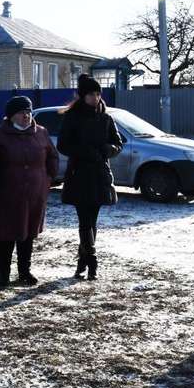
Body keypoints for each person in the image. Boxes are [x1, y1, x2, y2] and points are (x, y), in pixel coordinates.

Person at [57, 74, 123, 281]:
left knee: (91, 221)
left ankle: (82, 262)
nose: (95, 98)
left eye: (97, 94)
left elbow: (118, 144)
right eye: (91, 94)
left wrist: (107, 149)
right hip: (79, 174)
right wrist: (86, 152)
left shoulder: (106, 118)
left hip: (100, 175)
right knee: (85, 221)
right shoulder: (72, 117)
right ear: (82, 96)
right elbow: (63, 145)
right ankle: (92, 260)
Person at [0, 96, 59, 286]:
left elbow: (52, 157)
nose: (26, 116)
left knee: (28, 234)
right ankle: (3, 273)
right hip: (7, 194)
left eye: (28, 112)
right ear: (11, 116)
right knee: (6, 235)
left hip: (34, 194)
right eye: (21, 113)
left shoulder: (41, 133)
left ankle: (24, 271)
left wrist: (48, 178)